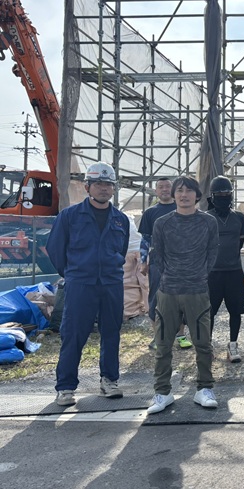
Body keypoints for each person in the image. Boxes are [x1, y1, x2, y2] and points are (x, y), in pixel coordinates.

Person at [46, 162, 130, 406]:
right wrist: (73, 274)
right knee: (73, 334)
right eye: (98, 184)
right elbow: (55, 249)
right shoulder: (70, 216)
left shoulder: (121, 220)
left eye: (108, 184)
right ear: (87, 187)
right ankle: (65, 387)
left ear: (113, 189)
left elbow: (122, 251)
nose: (104, 188)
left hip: (111, 284)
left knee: (111, 332)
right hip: (80, 284)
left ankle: (109, 381)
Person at [147, 176, 219, 414]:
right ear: (173, 195)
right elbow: (157, 255)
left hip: (197, 291)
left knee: (203, 344)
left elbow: (212, 252)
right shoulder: (162, 222)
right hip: (168, 291)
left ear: (197, 195)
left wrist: (199, 274)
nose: (184, 194)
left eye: (189, 190)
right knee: (163, 345)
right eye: (179, 190)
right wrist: (172, 274)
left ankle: (204, 388)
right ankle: (162, 392)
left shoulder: (208, 222)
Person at [138, 177, 192, 350]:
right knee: (156, 297)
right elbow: (145, 239)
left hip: (181, 262)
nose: (164, 190)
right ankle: (158, 337)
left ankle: (181, 335)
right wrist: (143, 261)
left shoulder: (183, 209)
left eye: (168, 186)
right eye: (160, 187)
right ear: (156, 191)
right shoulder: (150, 213)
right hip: (157, 261)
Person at [206, 176, 244, 363]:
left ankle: (233, 344)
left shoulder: (239, 217)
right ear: (212, 196)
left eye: (227, 193)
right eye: (219, 194)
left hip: (234, 271)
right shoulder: (206, 217)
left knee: (235, 310)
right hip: (212, 273)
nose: (224, 196)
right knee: (209, 311)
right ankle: (207, 345)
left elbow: (239, 242)